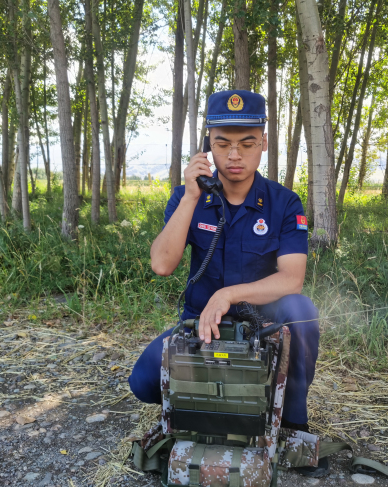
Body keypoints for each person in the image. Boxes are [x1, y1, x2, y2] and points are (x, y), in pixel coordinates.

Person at [128, 90, 326, 476]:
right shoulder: (187, 197)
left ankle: (294, 424)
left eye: (246, 144)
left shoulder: (284, 203)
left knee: (301, 310)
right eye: (222, 144)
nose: (234, 155)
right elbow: (161, 264)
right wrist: (191, 197)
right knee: (142, 382)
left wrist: (228, 294)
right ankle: (205, 406)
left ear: (263, 143)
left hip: (263, 329)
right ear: (208, 145)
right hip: (202, 327)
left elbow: (292, 279)